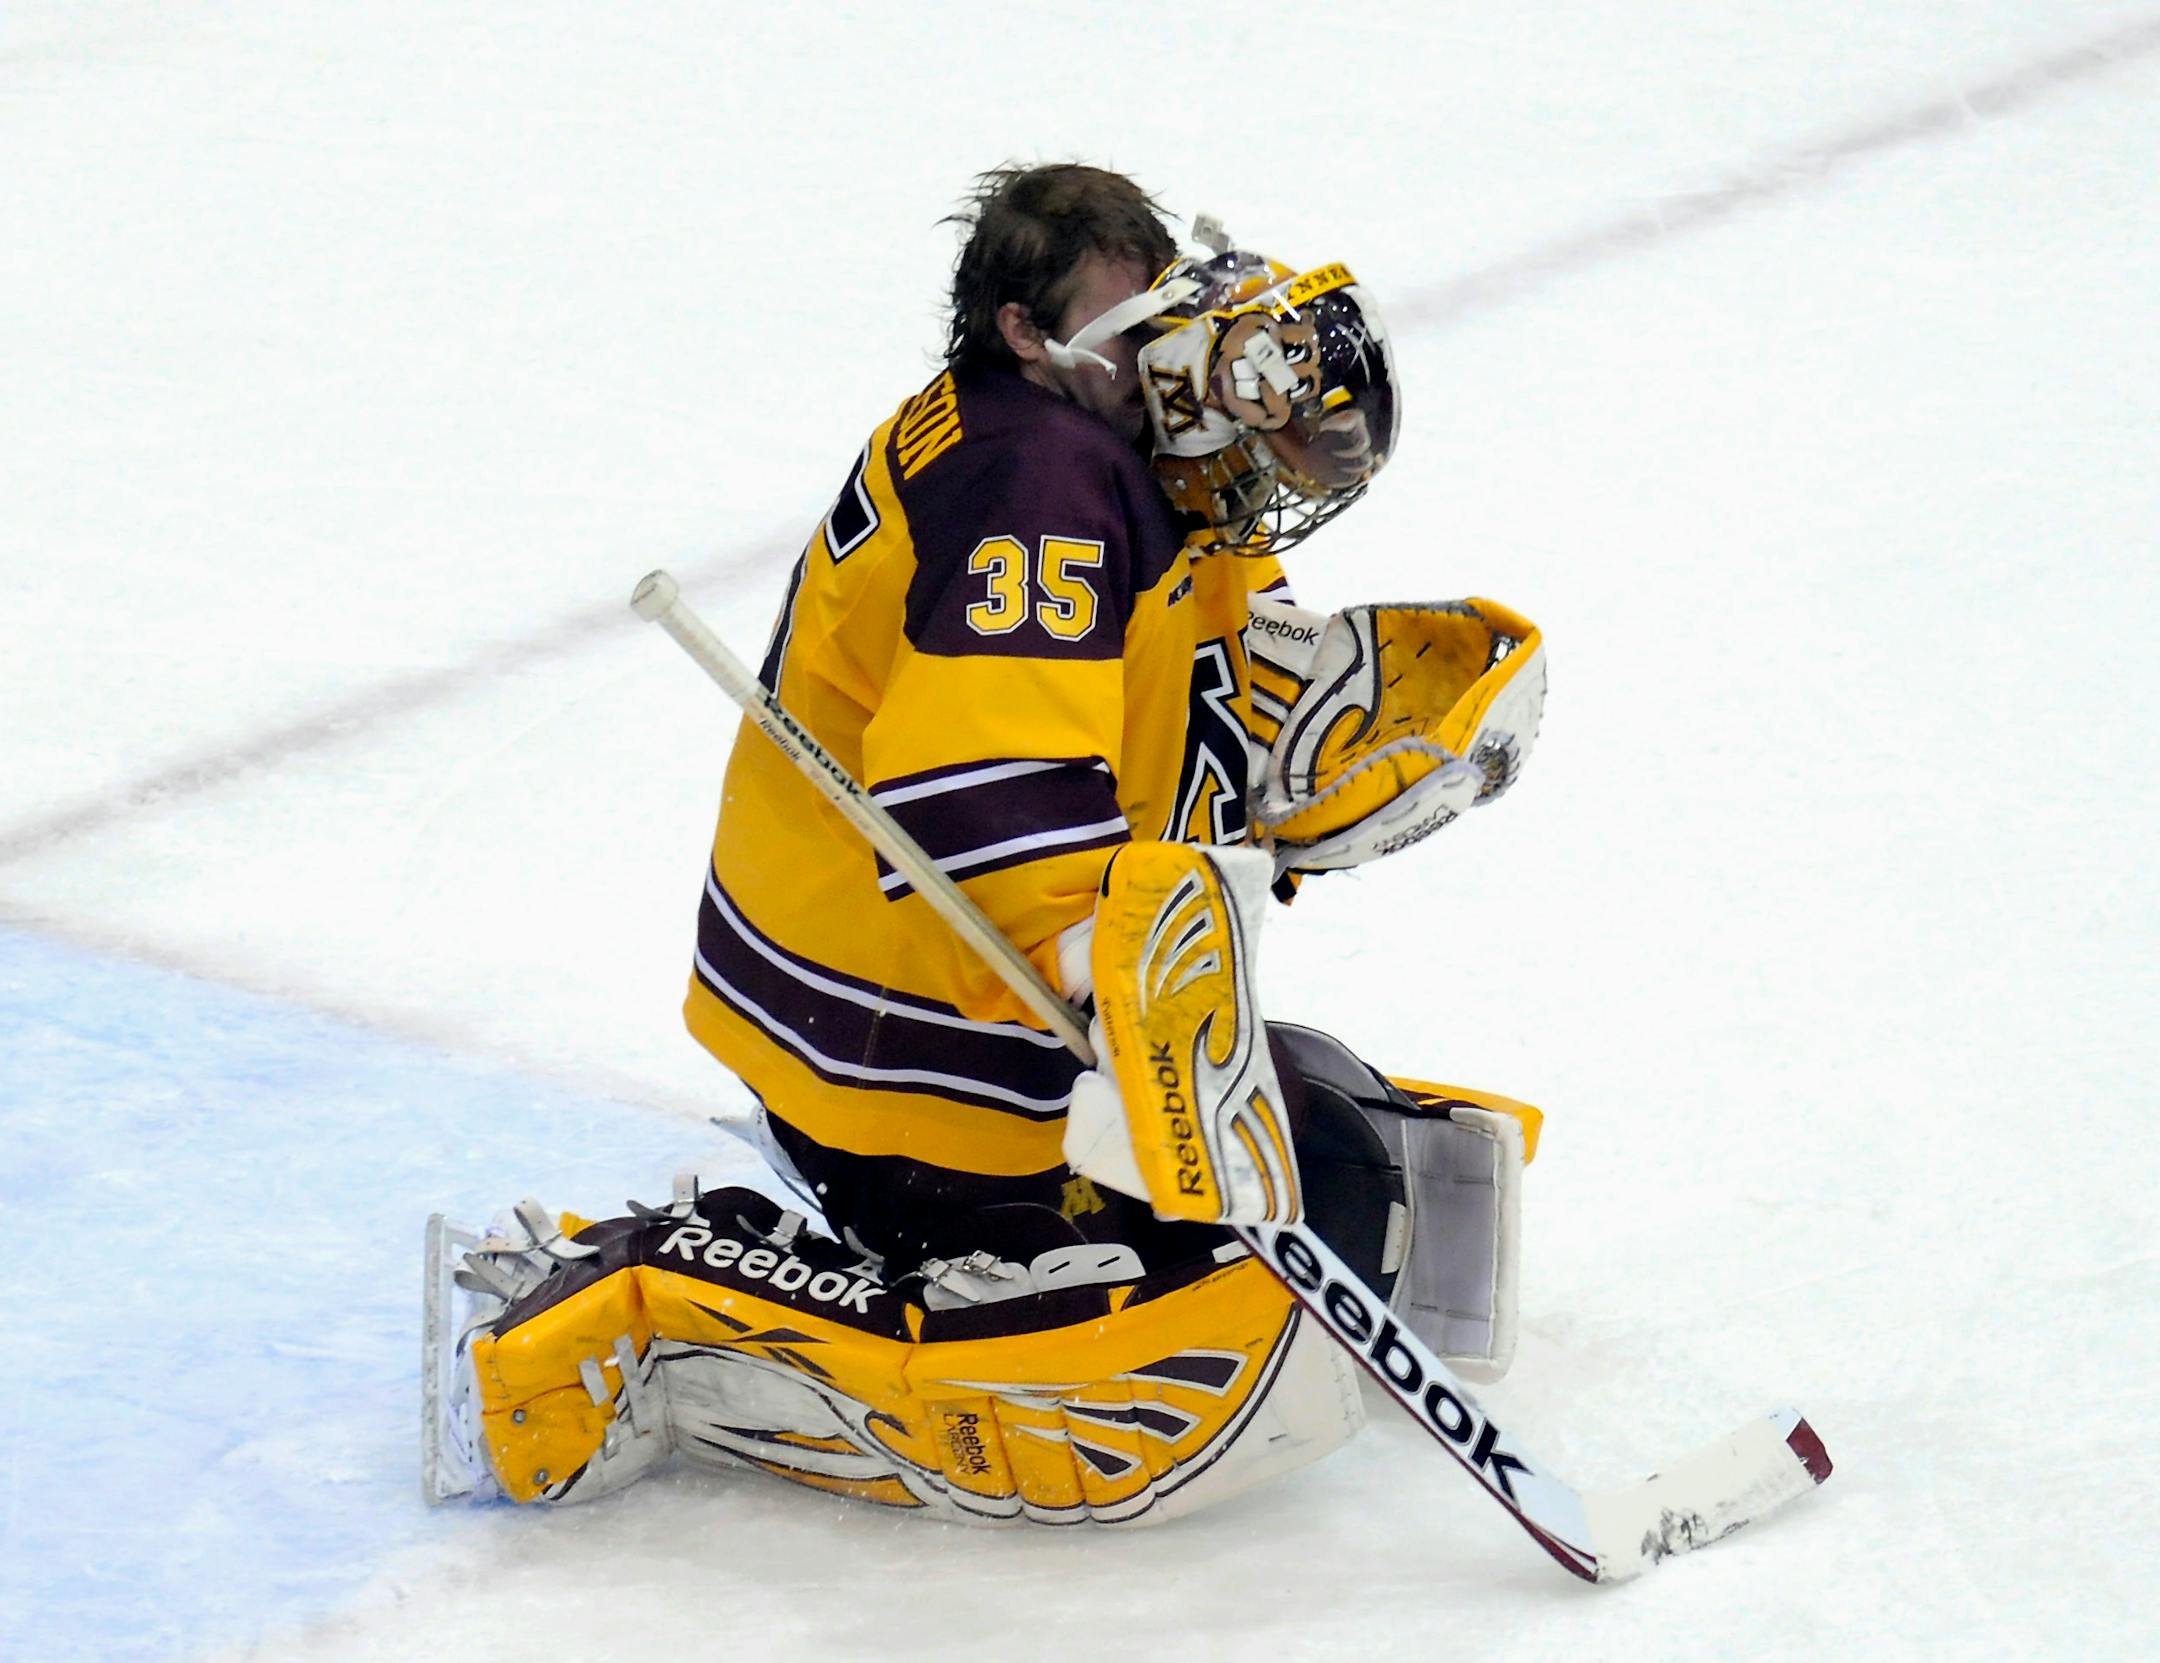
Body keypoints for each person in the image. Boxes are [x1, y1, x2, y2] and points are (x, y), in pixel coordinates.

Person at [424, 164, 1550, 1527]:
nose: (1175, 360)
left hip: (939, 987)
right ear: (1027, 333)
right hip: (904, 1040)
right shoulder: (1040, 477)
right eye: (1133, 331)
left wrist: (1304, 743)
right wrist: (1108, 973)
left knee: (1334, 1170)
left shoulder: (1117, 444)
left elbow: (1196, 658)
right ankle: (663, 1290)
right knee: (1162, 1320)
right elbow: (975, 783)